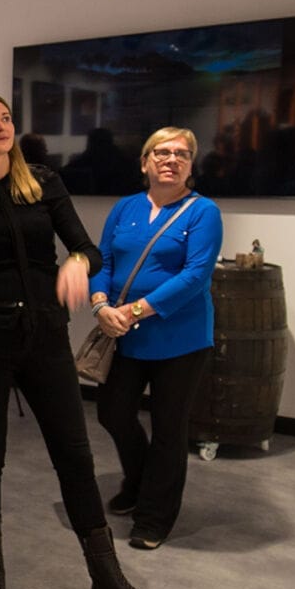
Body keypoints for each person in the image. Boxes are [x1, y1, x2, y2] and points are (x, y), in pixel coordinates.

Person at [0, 93, 183, 589]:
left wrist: (77, 262)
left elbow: (88, 249)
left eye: (6, 118)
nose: (2, 127)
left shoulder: (42, 182)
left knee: (74, 457)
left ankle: (108, 583)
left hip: (45, 337)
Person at [91, 126, 224, 549]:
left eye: (182, 154)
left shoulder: (203, 212)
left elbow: (195, 276)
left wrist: (133, 311)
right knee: (112, 412)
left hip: (181, 340)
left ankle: (153, 518)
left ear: (190, 165)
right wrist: (100, 304)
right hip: (127, 336)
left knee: (169, 429)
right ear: (145, 161)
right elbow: (104, 260)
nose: (171, 160)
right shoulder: (125, 207)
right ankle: (139, 481)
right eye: (162, 152)